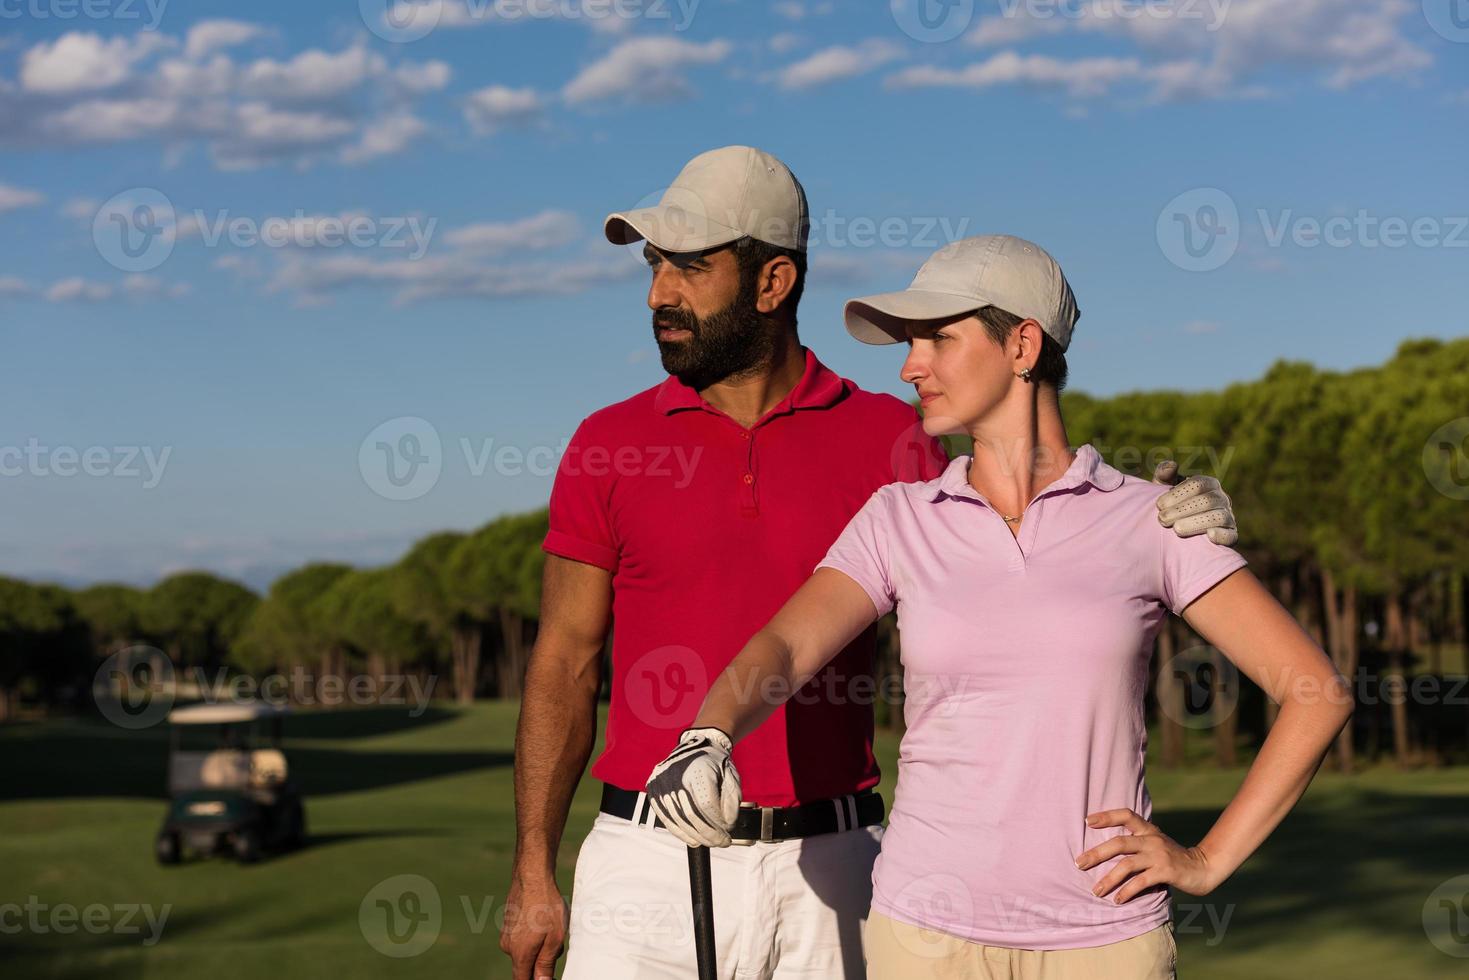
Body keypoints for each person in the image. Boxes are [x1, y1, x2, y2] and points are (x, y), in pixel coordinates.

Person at [500, 148, 1240, 980]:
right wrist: (534, 864)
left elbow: (1035, 511)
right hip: (646, 861)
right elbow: (564, 660)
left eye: (689, 267)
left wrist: (1165, 509)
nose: (657, 294)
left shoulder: (896, 440)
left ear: (772, 283)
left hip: (842, 865)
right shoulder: (609, 444)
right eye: (653, 266)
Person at [645, 235, 1351, 979]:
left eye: (937, 339)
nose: (910, 365)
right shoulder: (898, 518)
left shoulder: (1151, 518)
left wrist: (1206, 861)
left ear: (1021, 344)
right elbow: (784, 648)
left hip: (1105, 939)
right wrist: (708, 733)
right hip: (924, 935)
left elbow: (1315, 692)